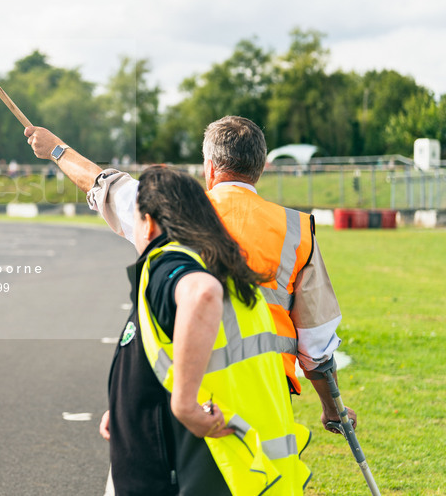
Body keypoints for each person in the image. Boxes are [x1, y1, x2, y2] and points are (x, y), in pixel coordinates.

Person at [24, 117, 356, 433]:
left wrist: (56, 149)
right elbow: (317, 345)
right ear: (259, 169)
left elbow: (103, 184)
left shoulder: (170, 211)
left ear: (209, 167)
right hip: (266, 390)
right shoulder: (298, 230)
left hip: (185, 386)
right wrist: (332, 408)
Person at [103, 165, 311, 494]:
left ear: (151, 221)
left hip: (181, 470)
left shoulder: (169, 262)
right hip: (229, 466)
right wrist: (126, 407)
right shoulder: (224, 269)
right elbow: (169, 354)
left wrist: (184, 405)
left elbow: (201, 294)